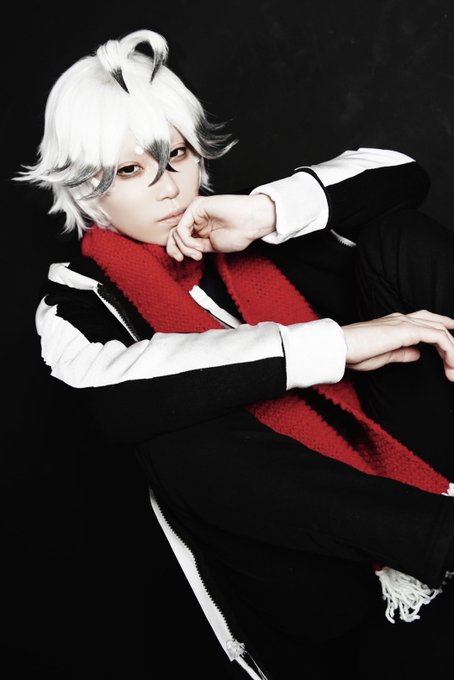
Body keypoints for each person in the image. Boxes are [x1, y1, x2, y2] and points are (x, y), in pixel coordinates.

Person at [17, 28, 454, 679]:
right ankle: (440, 538)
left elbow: (401, 174)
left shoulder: (247, 223)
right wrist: (334, 346)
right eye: (130, 171)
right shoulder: (72, 304)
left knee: (397, 237)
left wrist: (266, 213)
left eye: (178, 155)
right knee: (174, 427)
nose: (169, 187)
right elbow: (109, 394)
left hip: (403, 443)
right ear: (85, 189)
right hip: (306, 561)